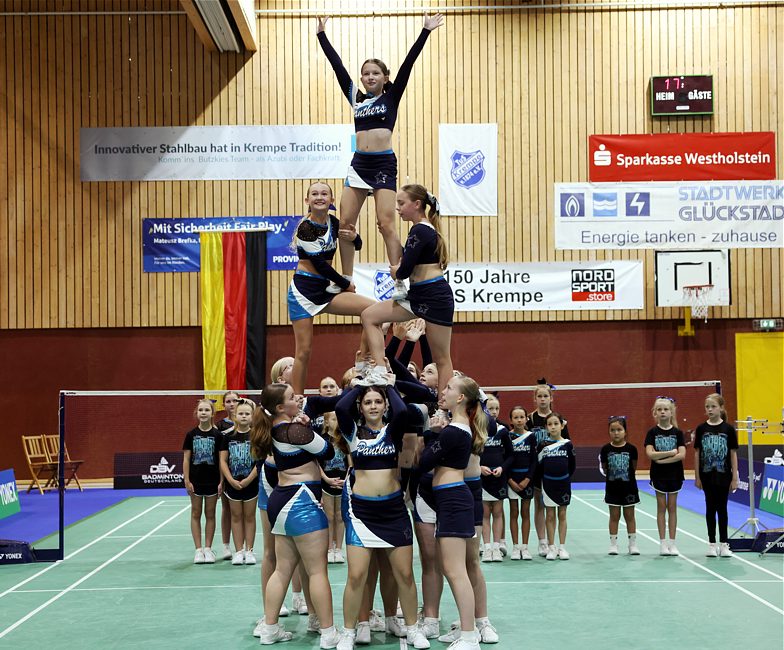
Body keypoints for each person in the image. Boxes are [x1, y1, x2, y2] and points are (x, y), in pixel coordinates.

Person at [316, 13, 444, 299]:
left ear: (385, 78)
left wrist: (425, 31)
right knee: (345, 225)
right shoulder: (356, 98)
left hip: (383, 164)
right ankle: (346, 278)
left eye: (375, 73)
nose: (370, 77)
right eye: (366, 73)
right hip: (359, 165)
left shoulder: (391, 97)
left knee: (386, 224)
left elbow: (408, 63)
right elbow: (337, 67)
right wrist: (322, 35)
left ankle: (399, 279)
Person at [333, 381, 429, 650]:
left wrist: (388, 386)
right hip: (361, 514)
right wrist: (358, 385)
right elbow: (340, 407)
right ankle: (349, 632)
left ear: (385, 405)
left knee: (405, 574)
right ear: (361, 408)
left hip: (393, 511)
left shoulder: (393, 430)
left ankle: (412, 629)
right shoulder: (353, 432)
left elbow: (402, 411)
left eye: (378, 401)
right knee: (356, 576)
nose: (373, 406)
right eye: (368, 402)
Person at [252, 383, 340, 648]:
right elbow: (328, 452)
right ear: (281, 407)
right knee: (317, 571)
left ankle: (270, 629)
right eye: (292, 397)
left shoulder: (276, 429)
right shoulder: (293, 430)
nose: (298, 399)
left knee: (282, 570)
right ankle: (328, 633)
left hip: (280, 500)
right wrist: (307, 426)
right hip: (301, 501)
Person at [359, 184, 454, 396]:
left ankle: (444, 406)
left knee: (442, 359)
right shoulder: (422, 230)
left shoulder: (420, 230)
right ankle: (379, 370)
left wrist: (396, 271)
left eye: (401, 203)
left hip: (434, 296)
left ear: (417, 204)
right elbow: (406, 256)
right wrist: (388, 234)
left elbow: (403, 270)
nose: (398, 208)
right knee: (369, 315)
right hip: (418, 295)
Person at [417, 375, 488, 650]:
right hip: (449, 499)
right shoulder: (458, 429)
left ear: (460, 398)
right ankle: (468, 630)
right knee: (452, 569)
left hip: (453, 500)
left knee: (455, 570)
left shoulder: (454, 431)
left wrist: (432, 433)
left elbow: (424, 462)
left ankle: (469, 636)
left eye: (448, 388)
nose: (443, 391)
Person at [288, 183, 376, 396]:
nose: (319, 197)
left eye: (324, 194)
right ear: (307, 200)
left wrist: (355, 237)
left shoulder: (333, 222)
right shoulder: (305, 228)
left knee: (373, 310)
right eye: (314, 194)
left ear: (332, 200)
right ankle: (297, 399)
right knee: (304, 351)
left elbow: (356, 245)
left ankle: (361, 360)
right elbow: (320, 265)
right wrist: (345, 284)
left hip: (325, 289)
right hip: (303, 292)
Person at [527, 381, 570, 557]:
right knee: (539, 504)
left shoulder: (559, 420)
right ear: (535, 399)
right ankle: (542, 542)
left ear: (551, 398)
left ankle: (557, 544)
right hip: (537, 468)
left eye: (546, 396)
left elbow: (567, 444)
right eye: (539, 396)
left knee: (555, 508)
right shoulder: (529, 419)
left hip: (554, 470)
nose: (543, 399)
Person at [694, 393, 739, 558]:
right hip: (707, 475)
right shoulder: (701, 429)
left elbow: (733, 454)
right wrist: (697, 476)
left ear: (721, 408)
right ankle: (712, 543)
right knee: (710, 508)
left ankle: (724, 544)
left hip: (724, 475)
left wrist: (735, 477)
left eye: (713, 406)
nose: (710, 410)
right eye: (707, 407)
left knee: (722, 509)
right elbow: (697, 453)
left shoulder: (728, 429)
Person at [219, 397, 259, 565]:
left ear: (252, 416)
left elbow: (259, 461)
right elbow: (223, 461)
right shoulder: (227, 437)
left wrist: (249, 479)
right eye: (240, 413)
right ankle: (238, 551)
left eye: (247, 414)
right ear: (235, 416)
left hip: (251, 483)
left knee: (249, 517)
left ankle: (249, 551)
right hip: (233, 484)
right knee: (235, 516)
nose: (243, 416)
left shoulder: (256, 436)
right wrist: (230, 480)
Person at [644, 397, 686, 556]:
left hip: (675, 475)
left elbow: (681, 455)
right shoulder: (652, 433)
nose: (663, 412)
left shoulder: (678, 433)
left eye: (666, 409)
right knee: (661, 507)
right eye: (659, 409)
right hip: (658, 475)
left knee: (672, 507)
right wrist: (670, 453)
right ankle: (662, 543)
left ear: (671, 412)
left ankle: (672, 543)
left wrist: (661, 460)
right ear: (655, 413)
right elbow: (650, 454)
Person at [182, 399, 222, 564]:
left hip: (212, 481)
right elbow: (186, 459)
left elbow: (222, 460)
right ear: (196, 413)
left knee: (210, 514)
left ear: (212, 413)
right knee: (196, 513)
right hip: (196, 480)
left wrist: (221, 481)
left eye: (207, 410)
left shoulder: (218, 435)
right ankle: (198, 550)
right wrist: (187, 479)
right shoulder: (191, 435)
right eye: (201, 410)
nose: (203, 413)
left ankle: (208, 548)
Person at [537, 412, 575, 560]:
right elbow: (539, 466)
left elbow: (572, 466)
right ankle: (551, 547)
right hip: (548, 485)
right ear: (546, 427)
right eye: (550, 424)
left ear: (562, 426)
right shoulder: (543, 445)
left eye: (556, 424)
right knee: (550, 515)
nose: (553, 427)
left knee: (562, 515)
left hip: (563, 484)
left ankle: (562, 547)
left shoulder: (567, 444)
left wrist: (564, 478)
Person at [600, 416, 640, 555]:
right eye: (612, 430)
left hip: (629, 488)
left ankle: (632, 544)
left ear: (625, 431)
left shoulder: (632, 449)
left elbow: (633, 467)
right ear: (609, 432)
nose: (616, 433)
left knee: (630, 516)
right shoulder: (605, 449)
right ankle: (613, 544)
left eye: (619, 430)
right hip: (612, 489)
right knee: (614, 516)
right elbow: (605, 468)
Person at [479, 395, 512, 562]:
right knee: (485, 514)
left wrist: (502, 468)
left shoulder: (502, 431)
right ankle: (487, 548)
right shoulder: (477, 430)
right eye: (490, 408)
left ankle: (497, 547)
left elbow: (510, 455)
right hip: (482, 478)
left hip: (498, 478)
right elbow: (471, 454)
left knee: (498, 513)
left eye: (496, 408)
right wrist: (479, 468)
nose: (493, 412)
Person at [507, 406, 536, 560]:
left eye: (521, 417)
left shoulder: (531, 437)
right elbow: (505, 459)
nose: (519, 420)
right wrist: (510, 480)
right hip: (512, 480)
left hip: (526, 481)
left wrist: (527, 479)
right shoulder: (507, 436)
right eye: (516, 417)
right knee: (514, 512)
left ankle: (525, 547)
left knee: (525, 512)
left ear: (526, 419)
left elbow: (534, 461)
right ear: (511, 420)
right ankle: (515, 547)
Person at [320, 411, 348, 564]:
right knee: (329, 517)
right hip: (327, 483)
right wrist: (326, 479)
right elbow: (317, 464)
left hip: (342, 483)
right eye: (333, 419)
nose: (336, 422)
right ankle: (329, 548)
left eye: (338, 419)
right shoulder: (323, 441)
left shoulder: (344, 439)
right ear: (326, 422)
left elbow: (351, 463)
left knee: (340, 517)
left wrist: (346, 480)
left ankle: (339, 549)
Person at [216, 390, 239, 560]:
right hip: (226, 472)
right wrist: (222, 478)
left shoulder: (246, 421)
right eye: (228, 401)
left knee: (243, 513)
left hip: (244, 472)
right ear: (223, 405)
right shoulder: (220, 426)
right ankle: (226, 546)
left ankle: (243, 547)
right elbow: (219, 454)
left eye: (234, 400)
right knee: (227, 509)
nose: (231, 404)